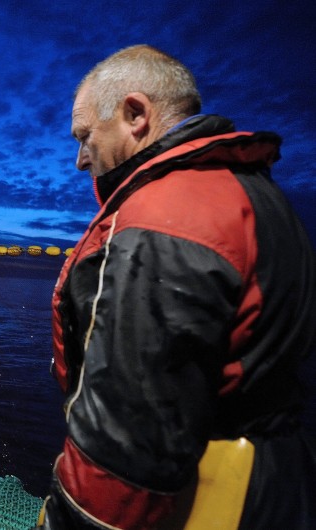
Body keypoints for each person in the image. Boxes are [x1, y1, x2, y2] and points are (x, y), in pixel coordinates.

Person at [40, 45, 316, 529]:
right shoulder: (256, 197)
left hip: (209, 502)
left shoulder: (164, 221)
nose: (80, 159)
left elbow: (126, 444)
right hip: (277, 483)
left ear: (135, 114)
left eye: (84, 136)